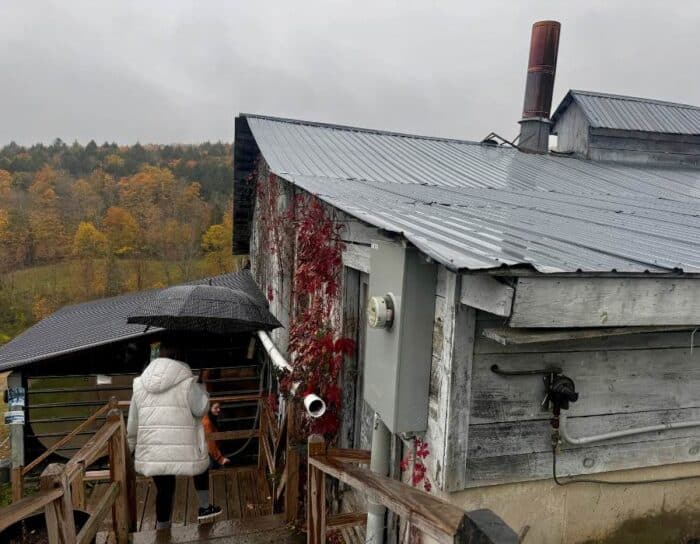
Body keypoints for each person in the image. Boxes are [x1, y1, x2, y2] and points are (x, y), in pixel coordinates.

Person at [127, 336, 222, 530]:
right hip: (184, 447)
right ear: (179, 357)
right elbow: (201, 409)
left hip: (153, 449)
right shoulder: (187, 382)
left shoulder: (139, 384)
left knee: (164, 489)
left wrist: (129, 449)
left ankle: (163, 530)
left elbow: (133, 423)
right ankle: (204, 507)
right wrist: (202, 387)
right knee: (201, 462)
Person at [202, 402, 231, 467]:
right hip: (208, 455)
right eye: (216, 408)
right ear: (209, 408)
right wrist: (220, 459)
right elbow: (210, 443)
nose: (219, 410)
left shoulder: (212, 418)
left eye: (219, 407)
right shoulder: (207, 422)